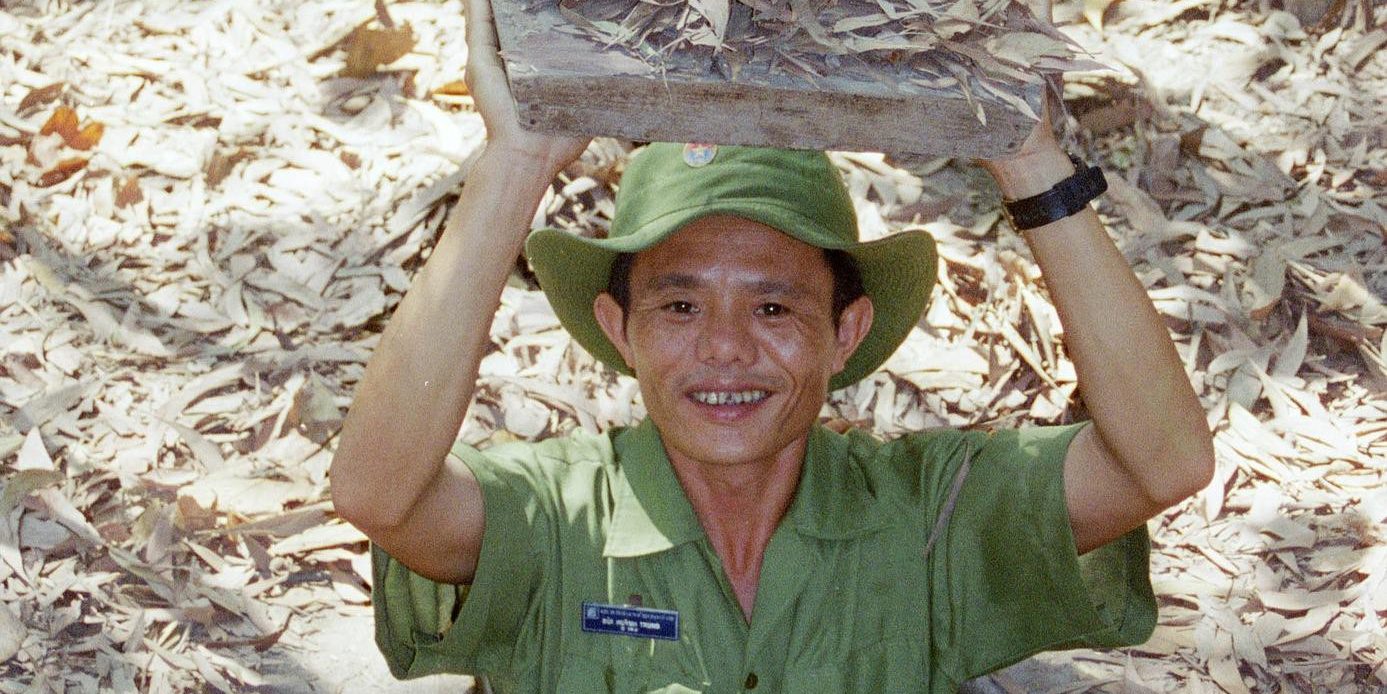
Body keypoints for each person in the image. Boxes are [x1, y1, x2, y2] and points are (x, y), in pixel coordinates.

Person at [328, 0, 1215, 690]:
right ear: (618, 330)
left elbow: (1161, 465)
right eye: (679, 306)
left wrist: (1029, 162)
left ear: (845, 333)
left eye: (773, 308)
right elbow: (378, 495)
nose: (724, 349)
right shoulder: (555, 521)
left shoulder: (926, 523)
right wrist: (516, 161)